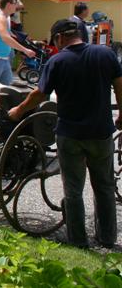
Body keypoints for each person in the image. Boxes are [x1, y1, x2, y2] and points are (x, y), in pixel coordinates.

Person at [9, 19, 122, 249]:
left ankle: (78, 241)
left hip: (70, 135)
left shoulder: (57, 61)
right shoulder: (105, 54)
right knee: (104, 187)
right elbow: (120, 84)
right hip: (100, 133)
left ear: (59, 38)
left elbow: (40, 94)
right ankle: (107, 238)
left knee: (73, 190)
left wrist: (18, 110)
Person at [0, 0, 35, 84]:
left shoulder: (6, 17)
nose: (17, 6)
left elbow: (7, 35)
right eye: (15, 3)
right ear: (8, 5)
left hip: (4, 60)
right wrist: (25, 50)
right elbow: (5, 38)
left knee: (6, 91)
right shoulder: (0, 18)